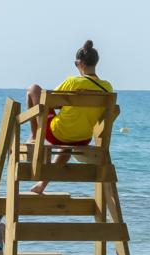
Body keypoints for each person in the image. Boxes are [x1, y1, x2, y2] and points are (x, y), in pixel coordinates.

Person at [25, 40, 112, 194]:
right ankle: (41, 185)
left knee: (33, 88)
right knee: (68, 142)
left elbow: (48, 100)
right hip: (83, 138)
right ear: (95, 63)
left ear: (80, 63)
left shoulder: (73, 82)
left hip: (56, 135)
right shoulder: (107, 87)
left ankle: (33, 135)